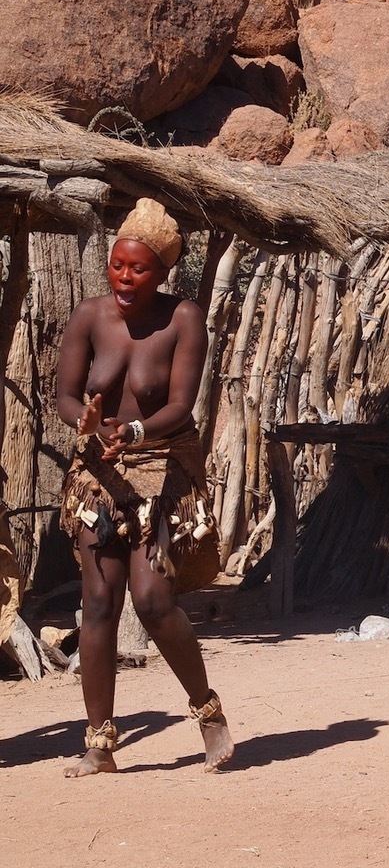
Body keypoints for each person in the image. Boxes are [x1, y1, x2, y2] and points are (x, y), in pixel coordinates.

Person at [56, 197, 232, 777]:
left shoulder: (183, 318)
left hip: (160, 469)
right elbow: (65, 394)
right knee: (98, 603)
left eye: (139, 269)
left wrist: (131, 430)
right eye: (117, 266)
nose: (125, 278)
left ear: (162, 272)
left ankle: (207, 712)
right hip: (97, 477)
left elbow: (181, 406)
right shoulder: (89, 316)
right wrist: (84, 421)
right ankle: (100, 743)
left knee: (154, 600)